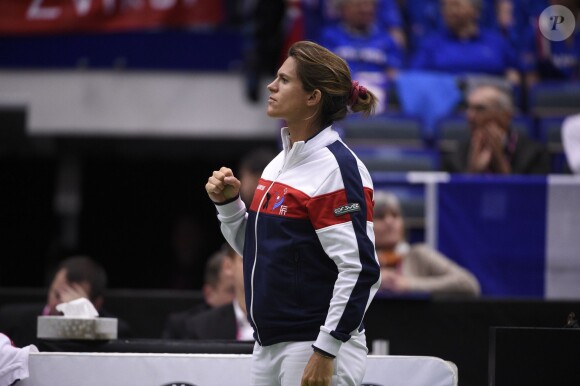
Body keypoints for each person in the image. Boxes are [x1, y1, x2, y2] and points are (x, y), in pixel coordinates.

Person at [205, 40, 381, 386]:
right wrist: (229, 206)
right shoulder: (278, 164)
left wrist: (326, 349)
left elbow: (360, 270)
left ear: (313, 97)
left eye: (284, 80)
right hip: (268, 345)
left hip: (314, 346)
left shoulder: (338, 169)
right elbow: (259, 250)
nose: (271, 86)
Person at [0, 255, 132, 347]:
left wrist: (79, 315)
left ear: (96, 303)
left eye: (72, 299)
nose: (60, 305)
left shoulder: (114, 331)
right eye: (57, 295)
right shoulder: (11, 320)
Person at [373, 190, 481, 296]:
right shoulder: (361, 260)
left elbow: (468, 284)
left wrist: (410, 285)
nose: (389, 222)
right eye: (380, 217)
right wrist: (373, 280)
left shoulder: (418, 255)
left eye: (395, 215)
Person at [442, 83, 550, 174]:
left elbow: (532, 197)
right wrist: (473, 172)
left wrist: (500, 162)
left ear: (505, 116)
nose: (470, 116)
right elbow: (452, 198)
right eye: (468, 108)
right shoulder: (455, 155)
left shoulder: (534, 154)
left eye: (480, 108)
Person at [410, 0, 523, 85]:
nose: (450, 11)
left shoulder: (496, 42)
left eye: (456, 5)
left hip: (489, 104)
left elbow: (513, 75)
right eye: (445, 6)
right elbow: (415, 79)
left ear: (476, 11)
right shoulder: (431, 45)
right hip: (447, 109)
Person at [319, 0, 403, 114]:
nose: (366, 9)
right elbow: (323, 72)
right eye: (359, 5)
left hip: (379, 97)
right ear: (344, 8)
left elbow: (394, 72)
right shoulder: (329, 37)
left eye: (370, 5)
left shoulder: (386, 39)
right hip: (340, 97)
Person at [181, 244, 254, 341]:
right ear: (228, 266)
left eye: (264, 259)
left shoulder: (281, 322)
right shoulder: (201, 328)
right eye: (249, 258)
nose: (257, 266)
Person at [161, 246, 236, 339]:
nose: (239, 299)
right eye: (232, 291)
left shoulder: (254, 322)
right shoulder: (184, 329)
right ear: (209, 294)